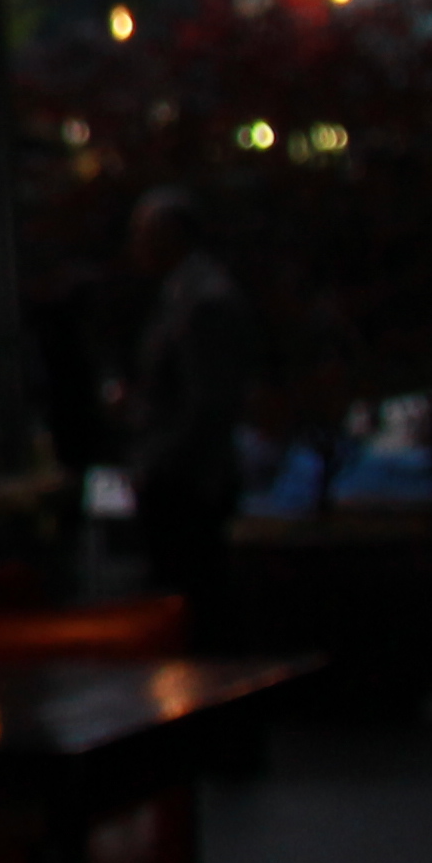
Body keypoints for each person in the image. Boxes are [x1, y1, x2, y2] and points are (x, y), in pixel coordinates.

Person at [115, 184, 259, 609]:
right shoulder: (184, 294)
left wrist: (158, 464)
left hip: (188, 485)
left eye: (143, 235)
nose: (135, 246)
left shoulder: (202, 301)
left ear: (171, 235)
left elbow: (207, 402)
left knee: (192, 594)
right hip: (181, 477)